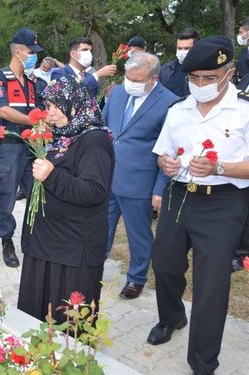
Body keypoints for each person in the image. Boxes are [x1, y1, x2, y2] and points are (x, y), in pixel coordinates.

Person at [147, 36, 249, 375]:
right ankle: (172, 317)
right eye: (195, 78)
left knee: (211, 284)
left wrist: (220, 167)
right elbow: (164, 152)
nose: (201, 84)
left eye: (210, 77)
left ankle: (203, 361)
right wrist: (166, 164)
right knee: (164, 264)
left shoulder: (245, 109)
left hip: (222, 203)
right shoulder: (179, 109)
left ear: (229, 73)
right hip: (179, 196)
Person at [17, 76, 115, 323]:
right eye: (46, 106)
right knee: (37, 316)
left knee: (67, 322)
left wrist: (51, 176)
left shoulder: (94, 140)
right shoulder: (64, 136)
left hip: (73, 247)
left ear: (73, 104)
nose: (47, 114)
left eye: (52, 107)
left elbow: (94, 191)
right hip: (47, 241)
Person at [103, 53, 178, 299]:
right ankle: (93, 265)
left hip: (139, 182)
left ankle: (136, 278)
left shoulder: (170, 103)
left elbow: (169, 151)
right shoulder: (117, 93)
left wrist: (159, 189)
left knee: (139, 234)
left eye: (137, 79)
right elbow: (103, 128)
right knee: (100, 227)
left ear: (153, 78)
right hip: (107, 178)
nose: (130, 83)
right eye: (127, 77)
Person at [0, 27, 44, 268]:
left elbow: (43, 108)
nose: (35, 57)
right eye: (32, 52)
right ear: (20, 52)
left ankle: (32, 241)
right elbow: (4, 111)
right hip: (8, 148)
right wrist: (34, 120)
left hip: (32, 148)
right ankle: (7, 241)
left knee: (36, 195)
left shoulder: (33, 81)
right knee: (7, 197)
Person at [50, 37, 117, 98]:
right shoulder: (58, 74)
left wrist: (106, 95)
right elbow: (71, 94)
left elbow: (94, 105)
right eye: (85, 50)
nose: (89, 54)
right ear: (73, 54)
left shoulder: (90, 77)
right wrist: (97, 74)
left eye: (90, 51)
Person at [159, 28, 201, 98]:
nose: (182, 52)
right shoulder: (165, 70)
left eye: (187, 48)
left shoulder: (205, 71)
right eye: (179, 48)